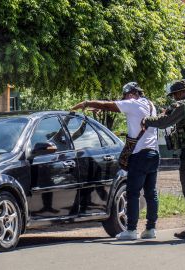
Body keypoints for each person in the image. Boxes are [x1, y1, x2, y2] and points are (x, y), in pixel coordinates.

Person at [70, 82, 159, 240]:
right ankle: (151, 229)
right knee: (151, 193)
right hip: (154, 154)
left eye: (125, 96)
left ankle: (131, 230)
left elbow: (109, 105)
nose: (124, 99)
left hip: (139, 155)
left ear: (131, 94)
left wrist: (87, 103)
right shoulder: (150, 105)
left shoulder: (133, 103)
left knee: (132, 193)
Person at [141, 79, 185, 242]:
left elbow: (164, 122)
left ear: (180, 93)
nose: (174, 99)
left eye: (174, 95)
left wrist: (147, 120)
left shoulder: (183, 105)